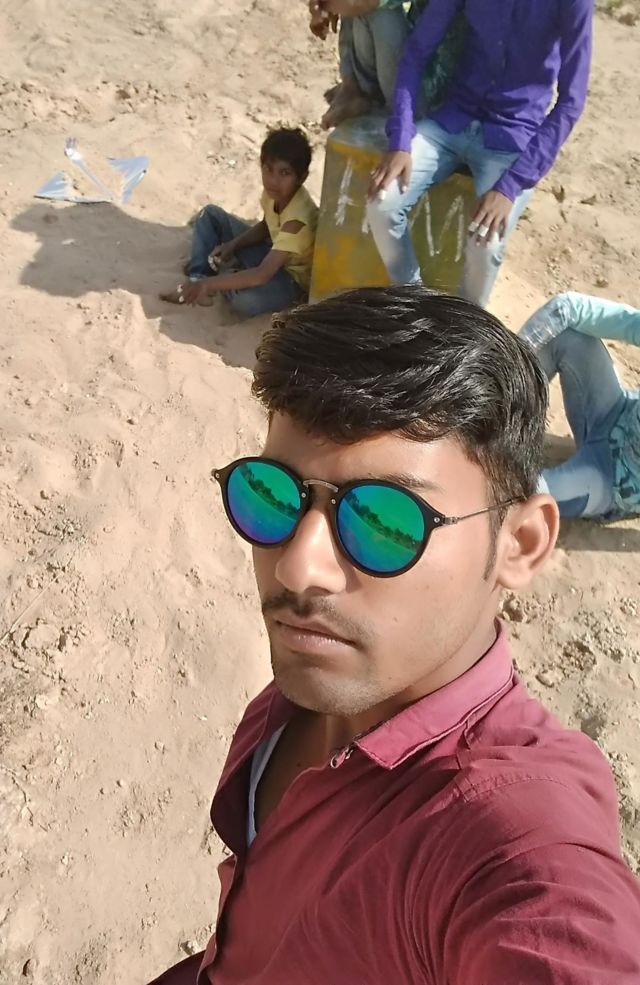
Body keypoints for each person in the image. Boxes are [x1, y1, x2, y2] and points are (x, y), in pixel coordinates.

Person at [147, 287, 640, 985]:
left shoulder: (511, 836)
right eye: (273, 494)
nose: (297, 567)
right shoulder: (325, 678)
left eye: (385, 521)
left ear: (521, 544)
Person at [367, 1, 594, 308]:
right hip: (453, 118)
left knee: (485, 244)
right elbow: (417, 50)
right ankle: (415, 303)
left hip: (512, 133)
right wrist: (400, 138)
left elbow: (571, 102)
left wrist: (511, 185)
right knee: (382, 201)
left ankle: (466, 326)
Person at [160, 128, 317, 318]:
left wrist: (209, 285)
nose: (273, 180)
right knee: (210, 215)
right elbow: (267, 226)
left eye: (284, 173)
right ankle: (198, 276)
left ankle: (214, 282)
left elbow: (263, 274)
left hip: (290, 279)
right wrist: (233, 245)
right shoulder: (275, 193)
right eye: (268, 169)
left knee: (245, 301)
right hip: (271, 251)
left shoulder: (297, 221)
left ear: (302, 177)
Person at [519, 291, 640, 521]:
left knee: (515, 493)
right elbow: (569, 307)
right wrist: (505, 367)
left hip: (612, 481)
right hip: (613, 409)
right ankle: (490, 416)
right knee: (567, 333)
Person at [309, 0, 464, 130]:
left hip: (438, 98)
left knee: (375, 10)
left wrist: (322, 4)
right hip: (415, 70)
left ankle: (361, 91)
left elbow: (360, 4)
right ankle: (352, 88)